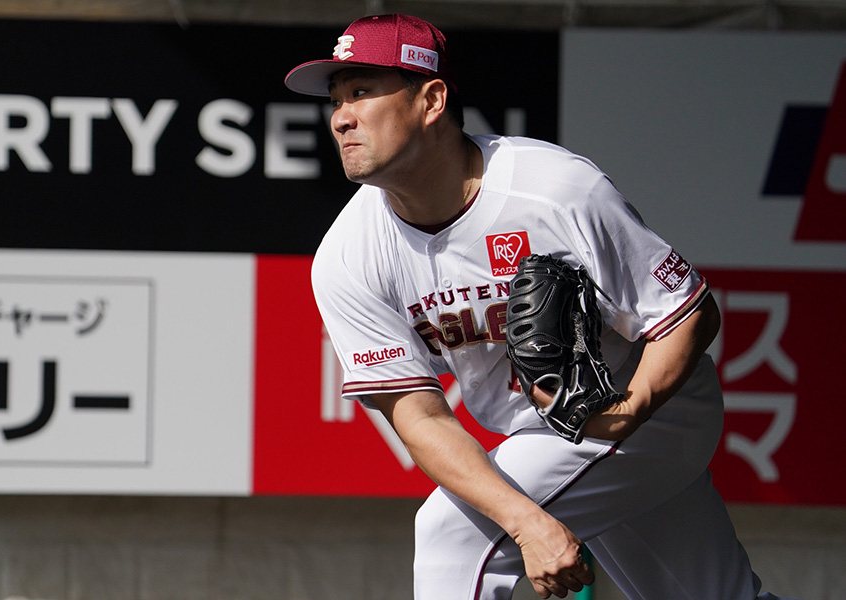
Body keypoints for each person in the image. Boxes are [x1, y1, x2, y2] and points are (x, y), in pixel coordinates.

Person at [285, 13, 791, 600]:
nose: (341, 116)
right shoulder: (348, 254)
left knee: (453, 534)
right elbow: (420, 416)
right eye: (335, 98)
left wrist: (625, 413)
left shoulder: (553, 190)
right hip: (539, 436)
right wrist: (529, 522)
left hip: (651, 411)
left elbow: (689, 313)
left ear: (432, 100)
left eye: (363, 91)